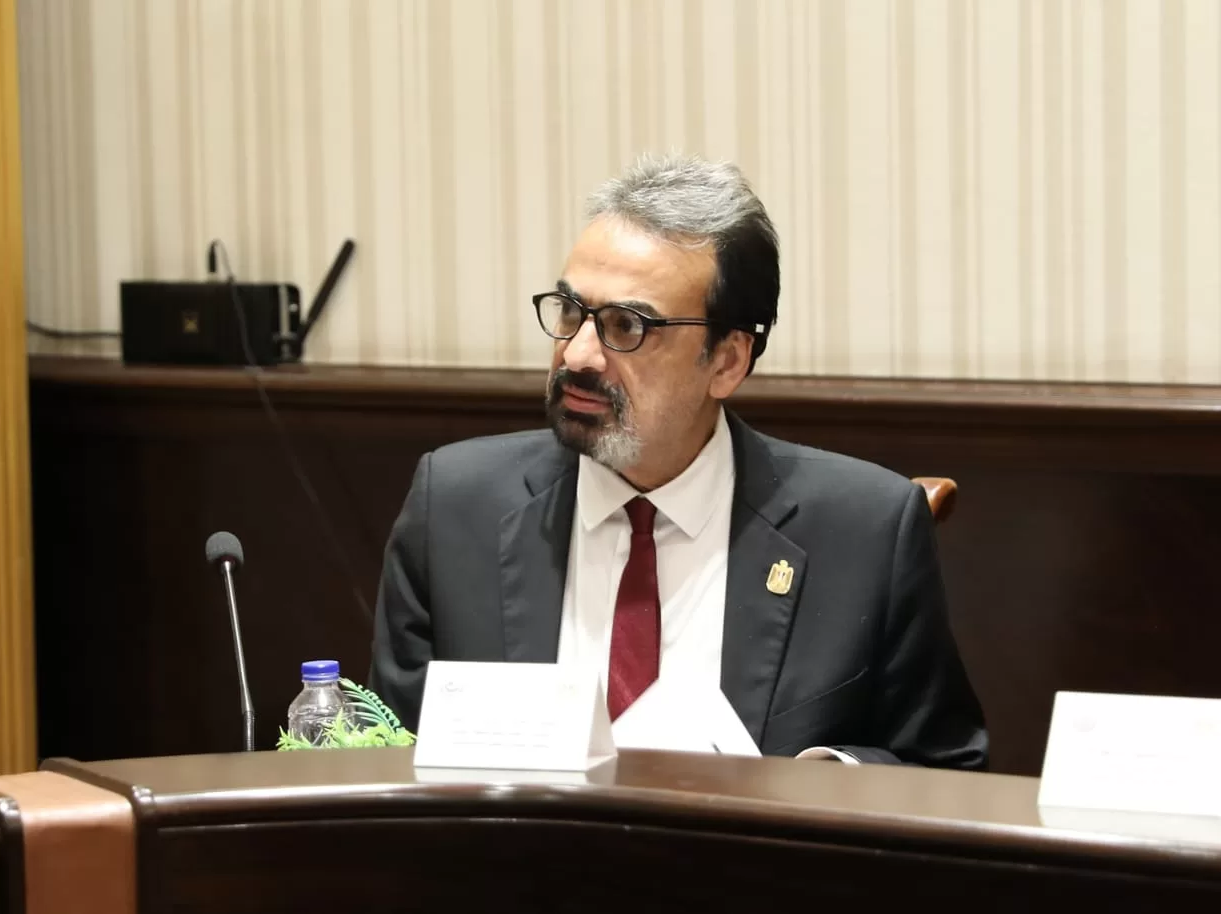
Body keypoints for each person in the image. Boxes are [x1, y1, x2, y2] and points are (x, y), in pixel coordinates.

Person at [368, 153, 988, 768]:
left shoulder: (865, 529)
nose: (578, 354)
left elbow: (943, 768)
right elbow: (387, 757)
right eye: (570, 311)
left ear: (727, 361)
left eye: (627, 326)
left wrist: (823, 783)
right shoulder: (455, 507)